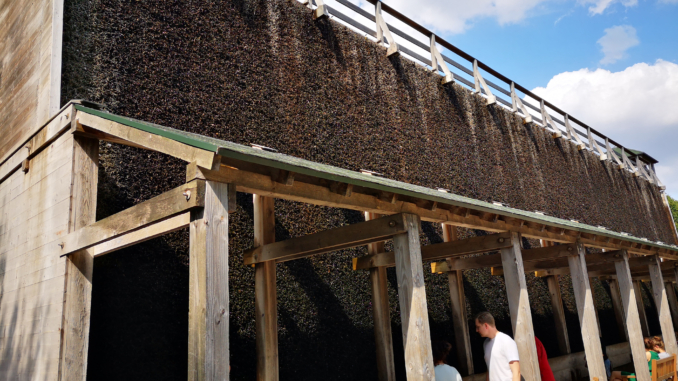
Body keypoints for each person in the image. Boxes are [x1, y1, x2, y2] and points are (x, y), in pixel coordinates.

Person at [475, 312, 520, 381]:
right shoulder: (486, 343)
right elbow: (489, 368)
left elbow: (516, 372)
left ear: (486, 325)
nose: (476, 330)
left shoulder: (506, 341)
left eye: (478, 327)